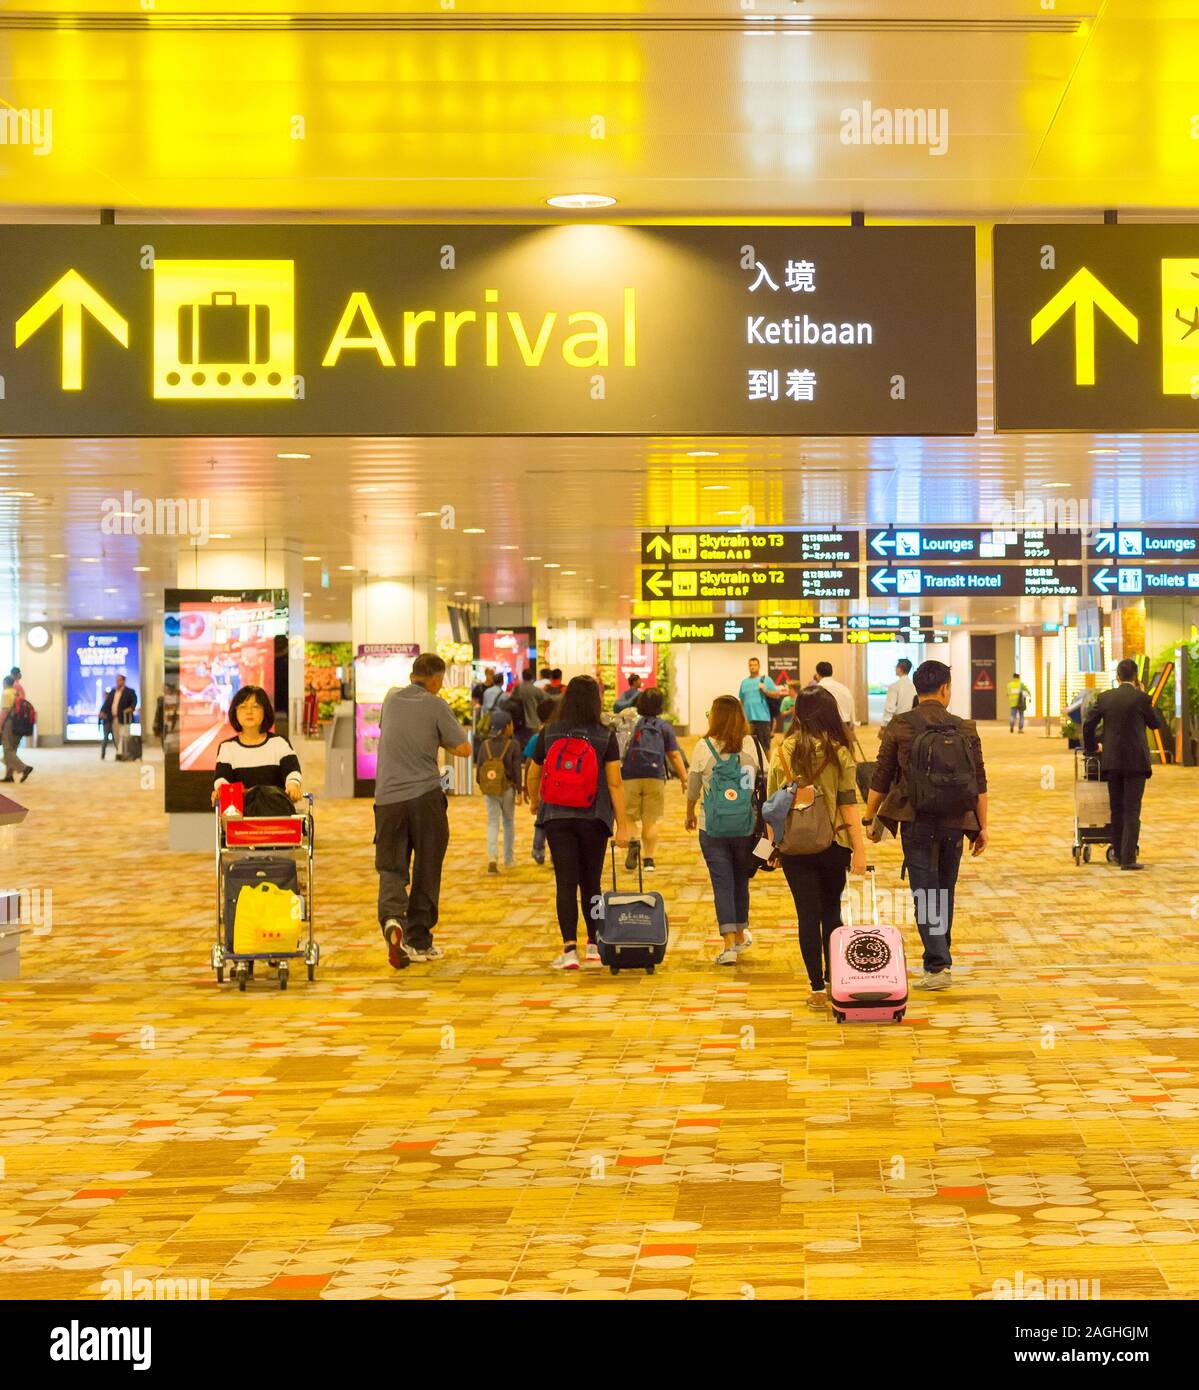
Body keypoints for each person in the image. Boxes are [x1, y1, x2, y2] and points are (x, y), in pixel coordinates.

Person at [863, 659, 988, 992]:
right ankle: (939, 958)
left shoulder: (902, 726)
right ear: (946, 688)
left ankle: (937, 962)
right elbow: (979, 781)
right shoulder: (964, 727)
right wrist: (982, 826)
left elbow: (882, 774)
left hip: (915, 821)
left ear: (918, 690)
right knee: (944, 890)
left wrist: (870, 816)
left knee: (925, 892)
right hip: (956, 821)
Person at [767, 686, 868, 1008]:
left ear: (797, 713)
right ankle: (833, 978)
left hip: (794, 846)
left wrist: (772, 848)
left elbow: (771, 807)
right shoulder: (839, 752)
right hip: (834, 843)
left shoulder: (782, 752)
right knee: (831, 912)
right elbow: (849, 805)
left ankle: (815, 989)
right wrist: (860, 851)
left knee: (806, 916)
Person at [374, 652, 472, 969]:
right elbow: (463, 747)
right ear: (434, 679)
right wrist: (437, 740)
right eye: (440, 681)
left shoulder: (390, 699)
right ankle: (418, 938)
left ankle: (391, 919)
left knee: (392, 865)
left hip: (387, 799)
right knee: (427, 866)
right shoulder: (436, 704)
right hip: (424, 797)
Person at [527, 675, 631, 971]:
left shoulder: (550, 732)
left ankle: (569, 949)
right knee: (591, 883)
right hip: (594, 817)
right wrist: (622, 824)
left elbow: (534, 772)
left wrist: (535, 801)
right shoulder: (604, 734)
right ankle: (595, 945)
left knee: (565, 882)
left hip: (557, 816)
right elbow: (614, 784)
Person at [686, 695, 765, 965]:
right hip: (746, 825)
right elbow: (764, 781)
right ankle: (741, 933)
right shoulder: (752, 745)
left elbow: (693, 787)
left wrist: (689, 814)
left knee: (722, 883)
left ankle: (729, 943)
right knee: (741, 880)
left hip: (713, 827)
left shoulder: (702, 747)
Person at [1083, 658, 1169, 871]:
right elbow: (1155, 723)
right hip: (1136, 763)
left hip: (1112, 760)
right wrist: (1145, 696)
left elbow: (1088, 724)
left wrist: (1092, 747)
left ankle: (1119, 855)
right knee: (1132, 809)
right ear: (1136, 677)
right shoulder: (1142, 698)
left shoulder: (1105, 698)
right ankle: (1128, 859)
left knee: (1117, 808)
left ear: (1118, 677)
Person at [621, 687, 687, 875]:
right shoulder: (664, 726)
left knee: (629, 816)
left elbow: (620, 749)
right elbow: (674, 755)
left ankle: (633, 841)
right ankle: (649, 860)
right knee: (650, 820)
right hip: (655, 776)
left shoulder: (632, 724)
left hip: (630, 775)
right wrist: (683, 778)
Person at [211, 685, 303, 808]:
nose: (249, 711)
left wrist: (293, 785)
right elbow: (222, 778)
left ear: (265, 711)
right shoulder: (227, 747)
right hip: (240, 816)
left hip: (276, 812)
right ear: (235, 713)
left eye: (255, 706)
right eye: (243, 707)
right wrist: (221, 790)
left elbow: (292, 771)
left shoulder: (279, 743)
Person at [475, 706, 522, 874]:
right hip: (507, 789)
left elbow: (479, 769)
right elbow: (517, 770)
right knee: (508, 822)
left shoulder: (484, 745)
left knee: (492, 822)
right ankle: (508, 859)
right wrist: (520, 791)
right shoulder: (513, 745)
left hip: (490, 789)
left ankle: (492, 857)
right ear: (506, 727)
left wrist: (483, 785)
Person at [523, 696, 559, 865]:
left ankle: (538, 850)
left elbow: (529, 764)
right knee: (553, 822)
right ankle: (553, 854)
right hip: (555, 787)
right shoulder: (558, 736)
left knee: (540, 821)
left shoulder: (535, 738)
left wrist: (529, 791)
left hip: (540, 787)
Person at [738, 657, 781, 754]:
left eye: (755, 665)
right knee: (748, 749)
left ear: (759, 666)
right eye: (750, 665)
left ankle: (766, 769)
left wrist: (765, 690)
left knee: (765, 748)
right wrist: (741, 717)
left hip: (763, 719)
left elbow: (776, 695)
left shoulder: (766, 680)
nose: (752, 667)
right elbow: (741, 701)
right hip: (748, 721)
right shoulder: (744, 682)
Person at [99, 673, 137, 761]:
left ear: (123, 681)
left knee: (124, 736)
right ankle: (119, 753)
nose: (117, 682)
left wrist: (131, 708)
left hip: (124, 718)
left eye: (119, 680)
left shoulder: (130, 691)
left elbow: (134, 701)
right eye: (116, 680)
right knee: (116, 737)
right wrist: (102, 711)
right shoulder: (113, 691)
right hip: (114, 718)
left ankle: (123, 753)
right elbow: (107, 703)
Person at [1, 675, 31, 784]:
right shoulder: (16, 692)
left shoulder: (6, 693)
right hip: (19, 723)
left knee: (7, 749)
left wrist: (0, 726)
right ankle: (9, 776)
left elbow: (5, 711)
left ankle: (24, 768)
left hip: (10, 723)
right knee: (12, 749)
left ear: (4, 683)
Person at [813, 660, 856, 731]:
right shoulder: (844, 688)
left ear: (817, 674)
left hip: (826, 725)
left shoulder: (817, 689)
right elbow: (851, 706)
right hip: (845, 723)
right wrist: (852, 723)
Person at [882, 658, 917, 725]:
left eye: (896, 667)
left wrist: (885, 724)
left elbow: (889, 708)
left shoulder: (894, 686)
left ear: (899, 669)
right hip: (911, 721)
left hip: (897, 722)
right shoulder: (914, 686)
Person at [514, 665, 543, 735]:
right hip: (534, 722)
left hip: (519, 723)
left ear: (522, 676)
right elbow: (546, 698)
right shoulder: (535, 690)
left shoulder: (516, 689)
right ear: (532, 677)